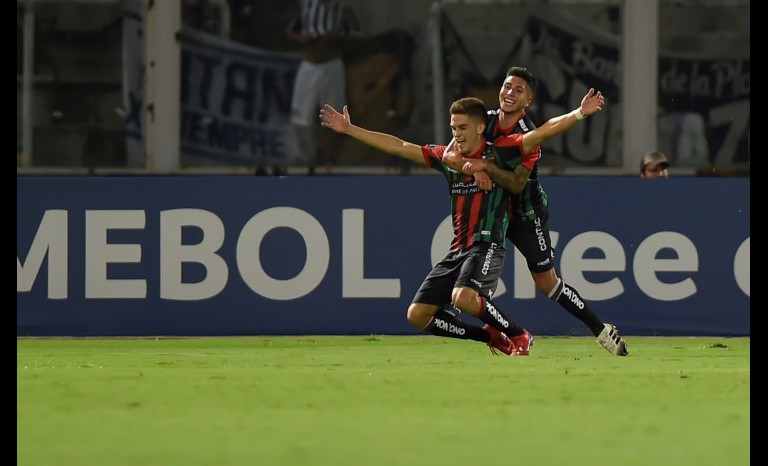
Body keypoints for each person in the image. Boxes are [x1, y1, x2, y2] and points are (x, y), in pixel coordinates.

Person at [319, 90, 603, 356]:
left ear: (480, 128)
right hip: (458, 249)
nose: (457, 134)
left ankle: (518, 335)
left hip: (488, 244)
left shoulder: (500, 155)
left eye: (463, 128)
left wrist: (579, 113)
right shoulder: (447, 158)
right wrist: (350, 130)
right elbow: (400, 145)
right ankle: (491, 337)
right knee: (417, 315)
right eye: (454, 128)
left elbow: (541, 133)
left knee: (463, 297)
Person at [453, 66, 629, 356]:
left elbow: (516, 184)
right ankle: (500, 328)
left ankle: (601, 330)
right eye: (507, 86)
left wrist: (485, 166)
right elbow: (450, 152)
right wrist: (469, 168)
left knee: (548, 284)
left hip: (525, 214)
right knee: (465, 270)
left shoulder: (528, 137)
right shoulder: (483, 121)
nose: (509, 93)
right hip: (492, 210)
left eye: (518, 90)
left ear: (528, 102)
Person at [286, 0, 360, 175]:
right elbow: (292, 30)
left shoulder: (341, 7)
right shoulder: (306, 5)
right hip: (310, 64)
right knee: (300, 119)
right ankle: (307, 160)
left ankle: (327, 160)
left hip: (331, 64)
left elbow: (354, 35)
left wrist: (333, 40)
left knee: (334, 117)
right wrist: (305, 39)